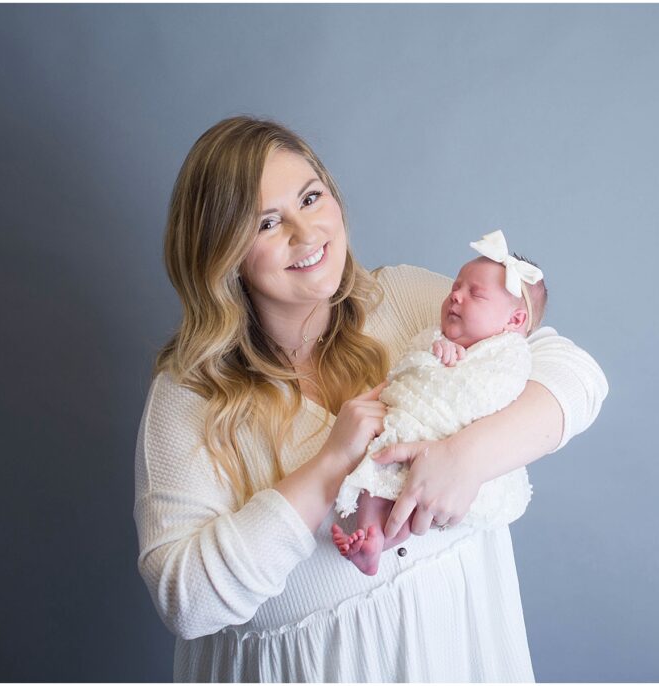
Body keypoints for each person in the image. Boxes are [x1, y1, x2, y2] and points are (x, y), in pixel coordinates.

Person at [133, 116, 608, 682]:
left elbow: (575, 373)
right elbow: (185, 600)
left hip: (461, 650)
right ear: (222, 253)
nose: (306, 234)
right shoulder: (190, 395)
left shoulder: (403, 298)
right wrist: (330, 464)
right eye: (266, 222)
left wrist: (466, 458)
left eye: (311, 197)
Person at [331, 234, 548, 576]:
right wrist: (438, 352)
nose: (455, 297)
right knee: (378, 472)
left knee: (410, 497)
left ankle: (381, 538)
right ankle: (372, 538)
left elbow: (498, 392)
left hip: (450, 437)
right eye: (455, 288)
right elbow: (412, 364)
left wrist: (454, 366)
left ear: (516, 322)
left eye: (475, 294)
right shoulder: (439, 335)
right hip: (410, 423)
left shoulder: (510, 354)